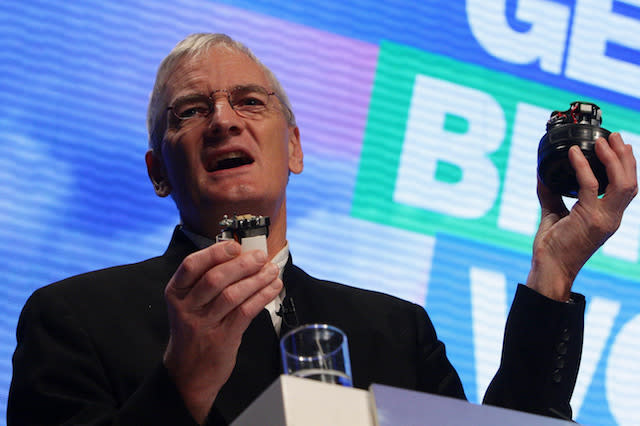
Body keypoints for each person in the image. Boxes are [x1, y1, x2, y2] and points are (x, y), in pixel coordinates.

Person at [8, 33, 637, 425]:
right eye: (192, 111)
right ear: (158, 172)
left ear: (296, 150)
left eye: (250, 102)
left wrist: (554, 271)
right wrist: (183, 383)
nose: (224, 121)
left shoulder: (395, 331)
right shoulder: (72, 319)